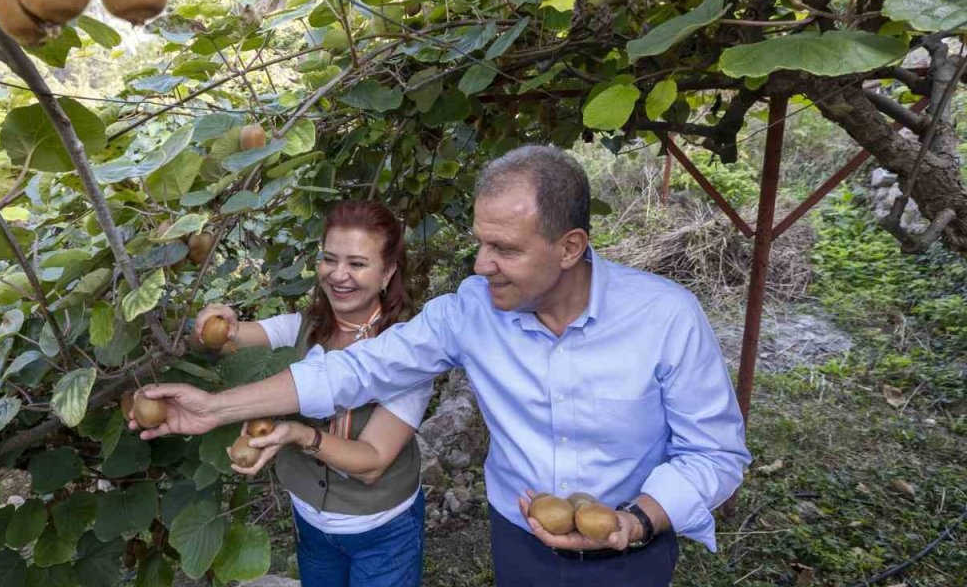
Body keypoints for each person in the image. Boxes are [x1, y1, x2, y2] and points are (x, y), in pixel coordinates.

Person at [133, 146, 751, 586]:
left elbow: (715, 453)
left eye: (504, 249)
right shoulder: (471, 311)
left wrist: (635, 522)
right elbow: (352, 371)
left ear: (570, 247)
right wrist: (214, 407)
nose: (481, 265)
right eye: (480, 242)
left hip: (635, 550)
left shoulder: (666, 317)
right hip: (519, 543)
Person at [195, 200, 432, 587]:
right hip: (310, 523)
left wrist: (300, 434)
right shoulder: (302, 329)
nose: (339, 275)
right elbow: (226, 341)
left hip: (383, 531)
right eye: (329, 259)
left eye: (357, 263)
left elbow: (372, 462)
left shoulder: (410, 350)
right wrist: (217, 321)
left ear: (388, 272)